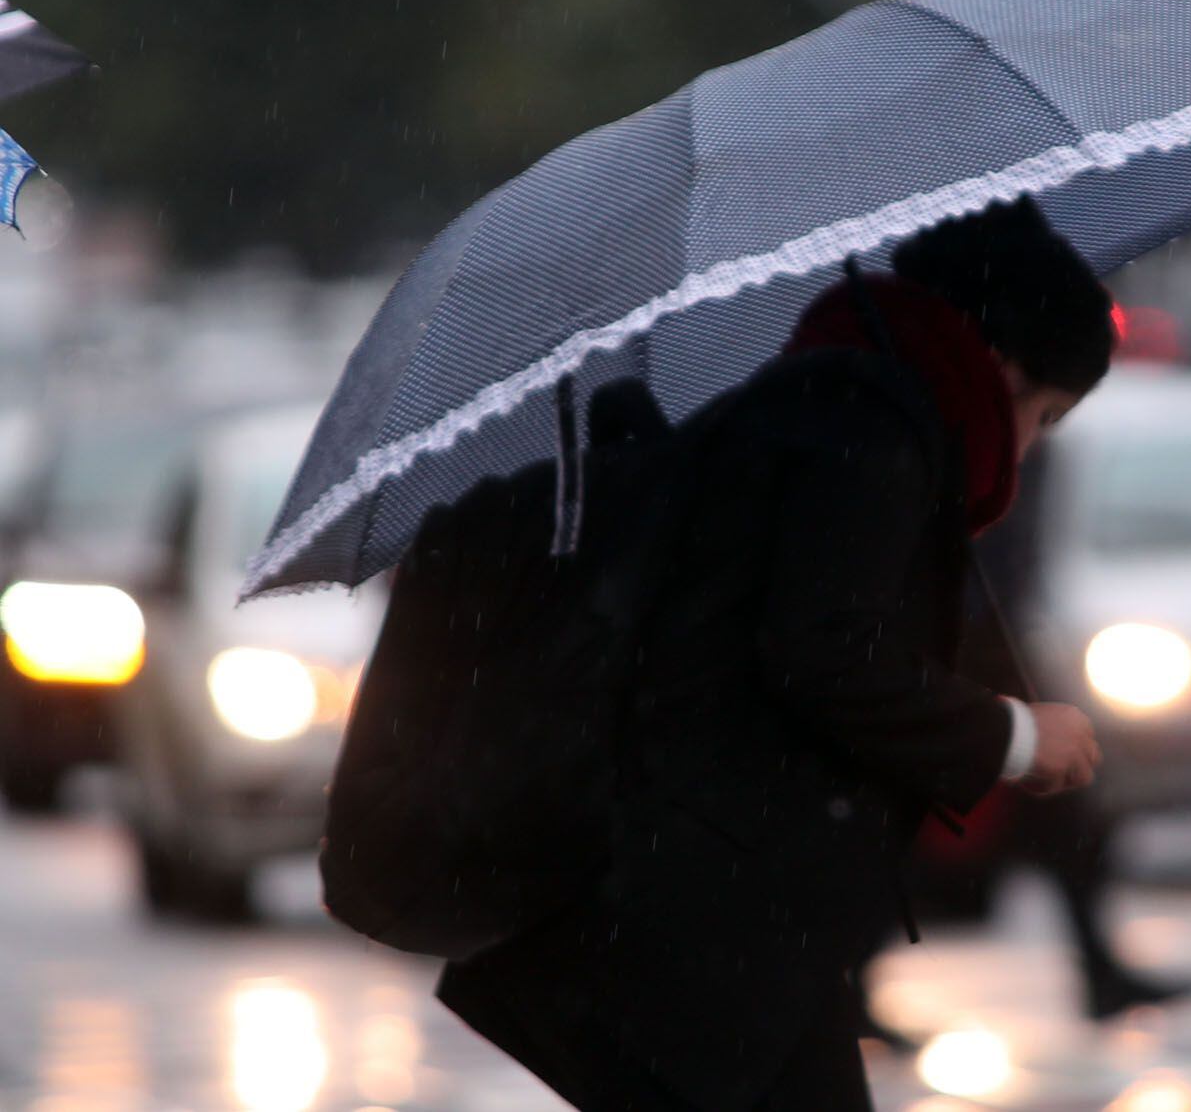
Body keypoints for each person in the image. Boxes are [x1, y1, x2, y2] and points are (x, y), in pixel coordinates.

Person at [436, 196, 1114, 1111]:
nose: (1028, 453)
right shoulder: (867, 431)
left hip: (690, 901)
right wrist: (1016, 737)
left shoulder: (833, 405)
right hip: (704, 909)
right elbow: (823, 656)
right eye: (1048, 416)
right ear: (1001, 364)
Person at [857, 451, 1191, 1044]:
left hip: (987, 646)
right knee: (909, 839)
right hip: (961, 654)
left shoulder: (996, 441)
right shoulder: (952, 437)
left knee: (1063, 821)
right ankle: (847, 989)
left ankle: (1099, 970)